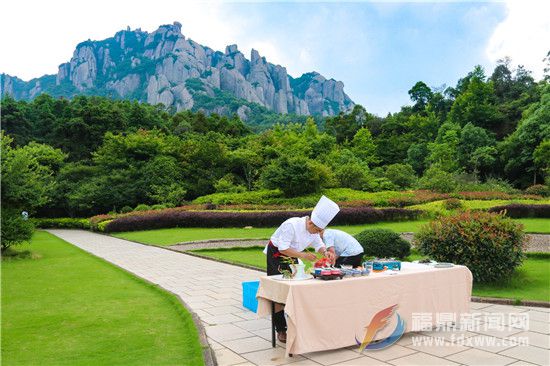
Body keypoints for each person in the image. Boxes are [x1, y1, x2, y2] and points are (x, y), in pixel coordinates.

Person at [264, 196, 340, 343]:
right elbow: (283, 248)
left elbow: (319, 245)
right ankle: (281, 329)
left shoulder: (314, 230)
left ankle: (296, 324)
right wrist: (303, 255)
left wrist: (326, 253)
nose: (317, 233)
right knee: (279, 292)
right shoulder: (291, 225)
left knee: (295, 287)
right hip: (276, 255)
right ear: (310, 222)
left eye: (320, 231)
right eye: (316, 230)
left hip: (292, 254)